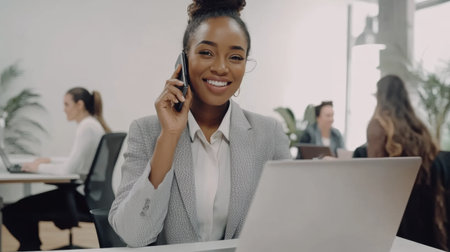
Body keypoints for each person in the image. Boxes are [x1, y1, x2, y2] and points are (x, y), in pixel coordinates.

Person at [108, 0, 291, 247]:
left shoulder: (269, 134)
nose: (221, 67)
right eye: (206, 52)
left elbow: (289, 223)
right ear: (182, 62)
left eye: (235, 57)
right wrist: (169, 136)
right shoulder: (147, 132)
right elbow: (134, 236)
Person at [2, 87, 111, 251]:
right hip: (85, 195)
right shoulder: (92, 125)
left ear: (79, 105)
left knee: (12, 213)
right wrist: (48, 160)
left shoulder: (87, 127)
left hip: (77, 199)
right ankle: (32, 246)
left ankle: (31, 247)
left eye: (67, 104)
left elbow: (67, 170)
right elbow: (75, 162)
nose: (64, 109)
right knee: (18, 211)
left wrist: (36, 168)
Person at [366, 75, 445, 250]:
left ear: (380, 96)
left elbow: (374, 175)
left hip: (394, 211)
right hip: (423, 209)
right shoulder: (418, 126)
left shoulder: (378, 125)